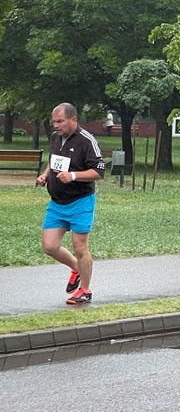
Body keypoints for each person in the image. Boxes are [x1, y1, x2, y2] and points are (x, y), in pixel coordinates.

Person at [35, 103, 106, 304]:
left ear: (73, 120)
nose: (56, 125)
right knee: (49, 246)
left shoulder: (87, 141)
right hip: (57, 202)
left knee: (80, 247)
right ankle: (77, 268)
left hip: (81, 202)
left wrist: (73, 175)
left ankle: (85, 290)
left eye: (60, 121)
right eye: (54, 122)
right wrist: (46, 175)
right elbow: (54, 160)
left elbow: (99, 172)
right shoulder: (55, 137)